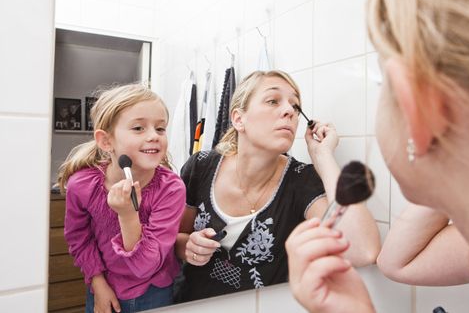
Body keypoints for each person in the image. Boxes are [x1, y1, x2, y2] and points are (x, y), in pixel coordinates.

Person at [286, 0, 469, 312]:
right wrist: (449, 166)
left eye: (383, 85)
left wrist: (440, 152)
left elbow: (382, 256)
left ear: (417, 106)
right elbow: (397, 262)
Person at [174, 70, 380, 302]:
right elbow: (174, 237)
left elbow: (363, 251)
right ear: (238, 119)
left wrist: (324, 158)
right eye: (273, 101)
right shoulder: (201, 167)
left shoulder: (301, 180)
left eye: (295, 106)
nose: (289, 111)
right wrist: (187, 246)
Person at [58, 84, 186, 313]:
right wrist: (97, 283)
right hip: (103, 288)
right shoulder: (82, 185)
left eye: (160, 128)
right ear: (106, 141)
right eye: (138, 128)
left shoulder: (171, 189)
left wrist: (127, 215)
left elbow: (144, 266)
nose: (153, 136)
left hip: (155, 292)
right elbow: (79, 238)